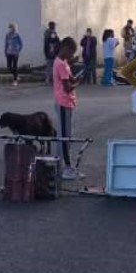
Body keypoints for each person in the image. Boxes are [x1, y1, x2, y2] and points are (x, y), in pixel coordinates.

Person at [53, 37, 84, 180]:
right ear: (65, 48)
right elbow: (67, 87)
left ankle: (66, 166)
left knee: (67, 135)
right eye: (71, 52)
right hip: (64, 102)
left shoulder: (63, 62)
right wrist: (77, 84)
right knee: (65, 136)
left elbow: (70, 78)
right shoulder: (60, 64)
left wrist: (76, 78)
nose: (71, 55)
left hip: (67, 103)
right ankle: (66, 167)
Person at [5, 23, 23, 87]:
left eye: (11, 27)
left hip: (15, 53)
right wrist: (5, 52)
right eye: (9, 27)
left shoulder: (17, 35)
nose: (10, 29)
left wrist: (18, 50)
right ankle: (16, 76)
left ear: (14, 28)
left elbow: (21, 44)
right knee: (9, 67)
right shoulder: (7, 35)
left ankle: (15, 80)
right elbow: (6, 44)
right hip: (9, 52)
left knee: (15, 66)